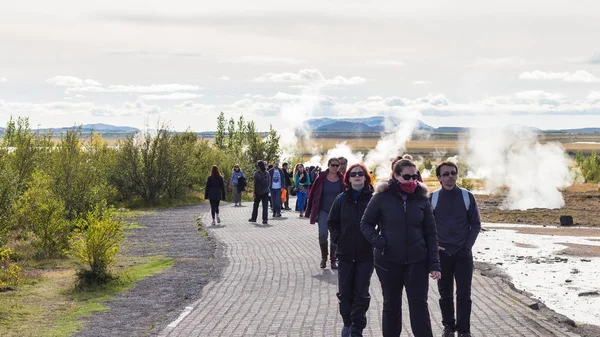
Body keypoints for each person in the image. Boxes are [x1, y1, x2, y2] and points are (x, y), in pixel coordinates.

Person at [361, 159, 441, 337]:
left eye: (415, 176)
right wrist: (379, 241)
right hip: (388, 261)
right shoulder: (381, 197)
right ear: (395, 175)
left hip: (417, 261)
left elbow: (431, 232)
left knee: (419, 306)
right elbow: (365, 224)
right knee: (391, 306)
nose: (412, 180)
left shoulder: (421, 198)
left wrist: (435, 263)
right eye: (407, 176)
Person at [431, 161, 481, 337]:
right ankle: (448, 327)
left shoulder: (468, 197)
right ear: (439, 178)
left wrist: (467, 246)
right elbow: (427, 227)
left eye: (453, 173)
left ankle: (464, 330)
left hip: (463, 254)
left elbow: (475, 224)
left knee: (464, 294)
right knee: (445, 294)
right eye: (446, 174)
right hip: (442, 254)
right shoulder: (433, 198)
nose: (450, 177)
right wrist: (434, 247)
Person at [328, 163, 374, 337]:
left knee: (361, 292)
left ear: (365, 177)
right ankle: (347, 322)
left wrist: (375, 241)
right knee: (345, 292)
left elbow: (383, 223)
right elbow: (332, 222)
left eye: (360, 174)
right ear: (347, 178)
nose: (357, 176)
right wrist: (339, 239)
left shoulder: (373, 199)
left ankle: (357, 328)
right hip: (345, 254)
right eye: (353, 174)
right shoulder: (341, 199)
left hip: (366, 254)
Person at [306, 158, 344, 269]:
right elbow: (313, 193)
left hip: (337, 212)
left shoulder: (342, 179)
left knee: (334, 236)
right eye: (333, 165)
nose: (335, 167)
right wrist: (309, 210)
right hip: (323, 210)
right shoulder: (321, 177)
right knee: (323, 234)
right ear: (328, 165)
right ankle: (324, 257)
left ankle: (333, 260)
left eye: (337, 165)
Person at [249, 160, 270, 225]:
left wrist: (254, 192)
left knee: (256, 205)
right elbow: (269, 182)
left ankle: (254, 218)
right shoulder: (267, 173)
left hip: (258, 191)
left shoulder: (257, 173)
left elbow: (254, 183)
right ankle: (265, 220)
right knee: (265, 206)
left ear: (258, 166)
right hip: (266, 191)